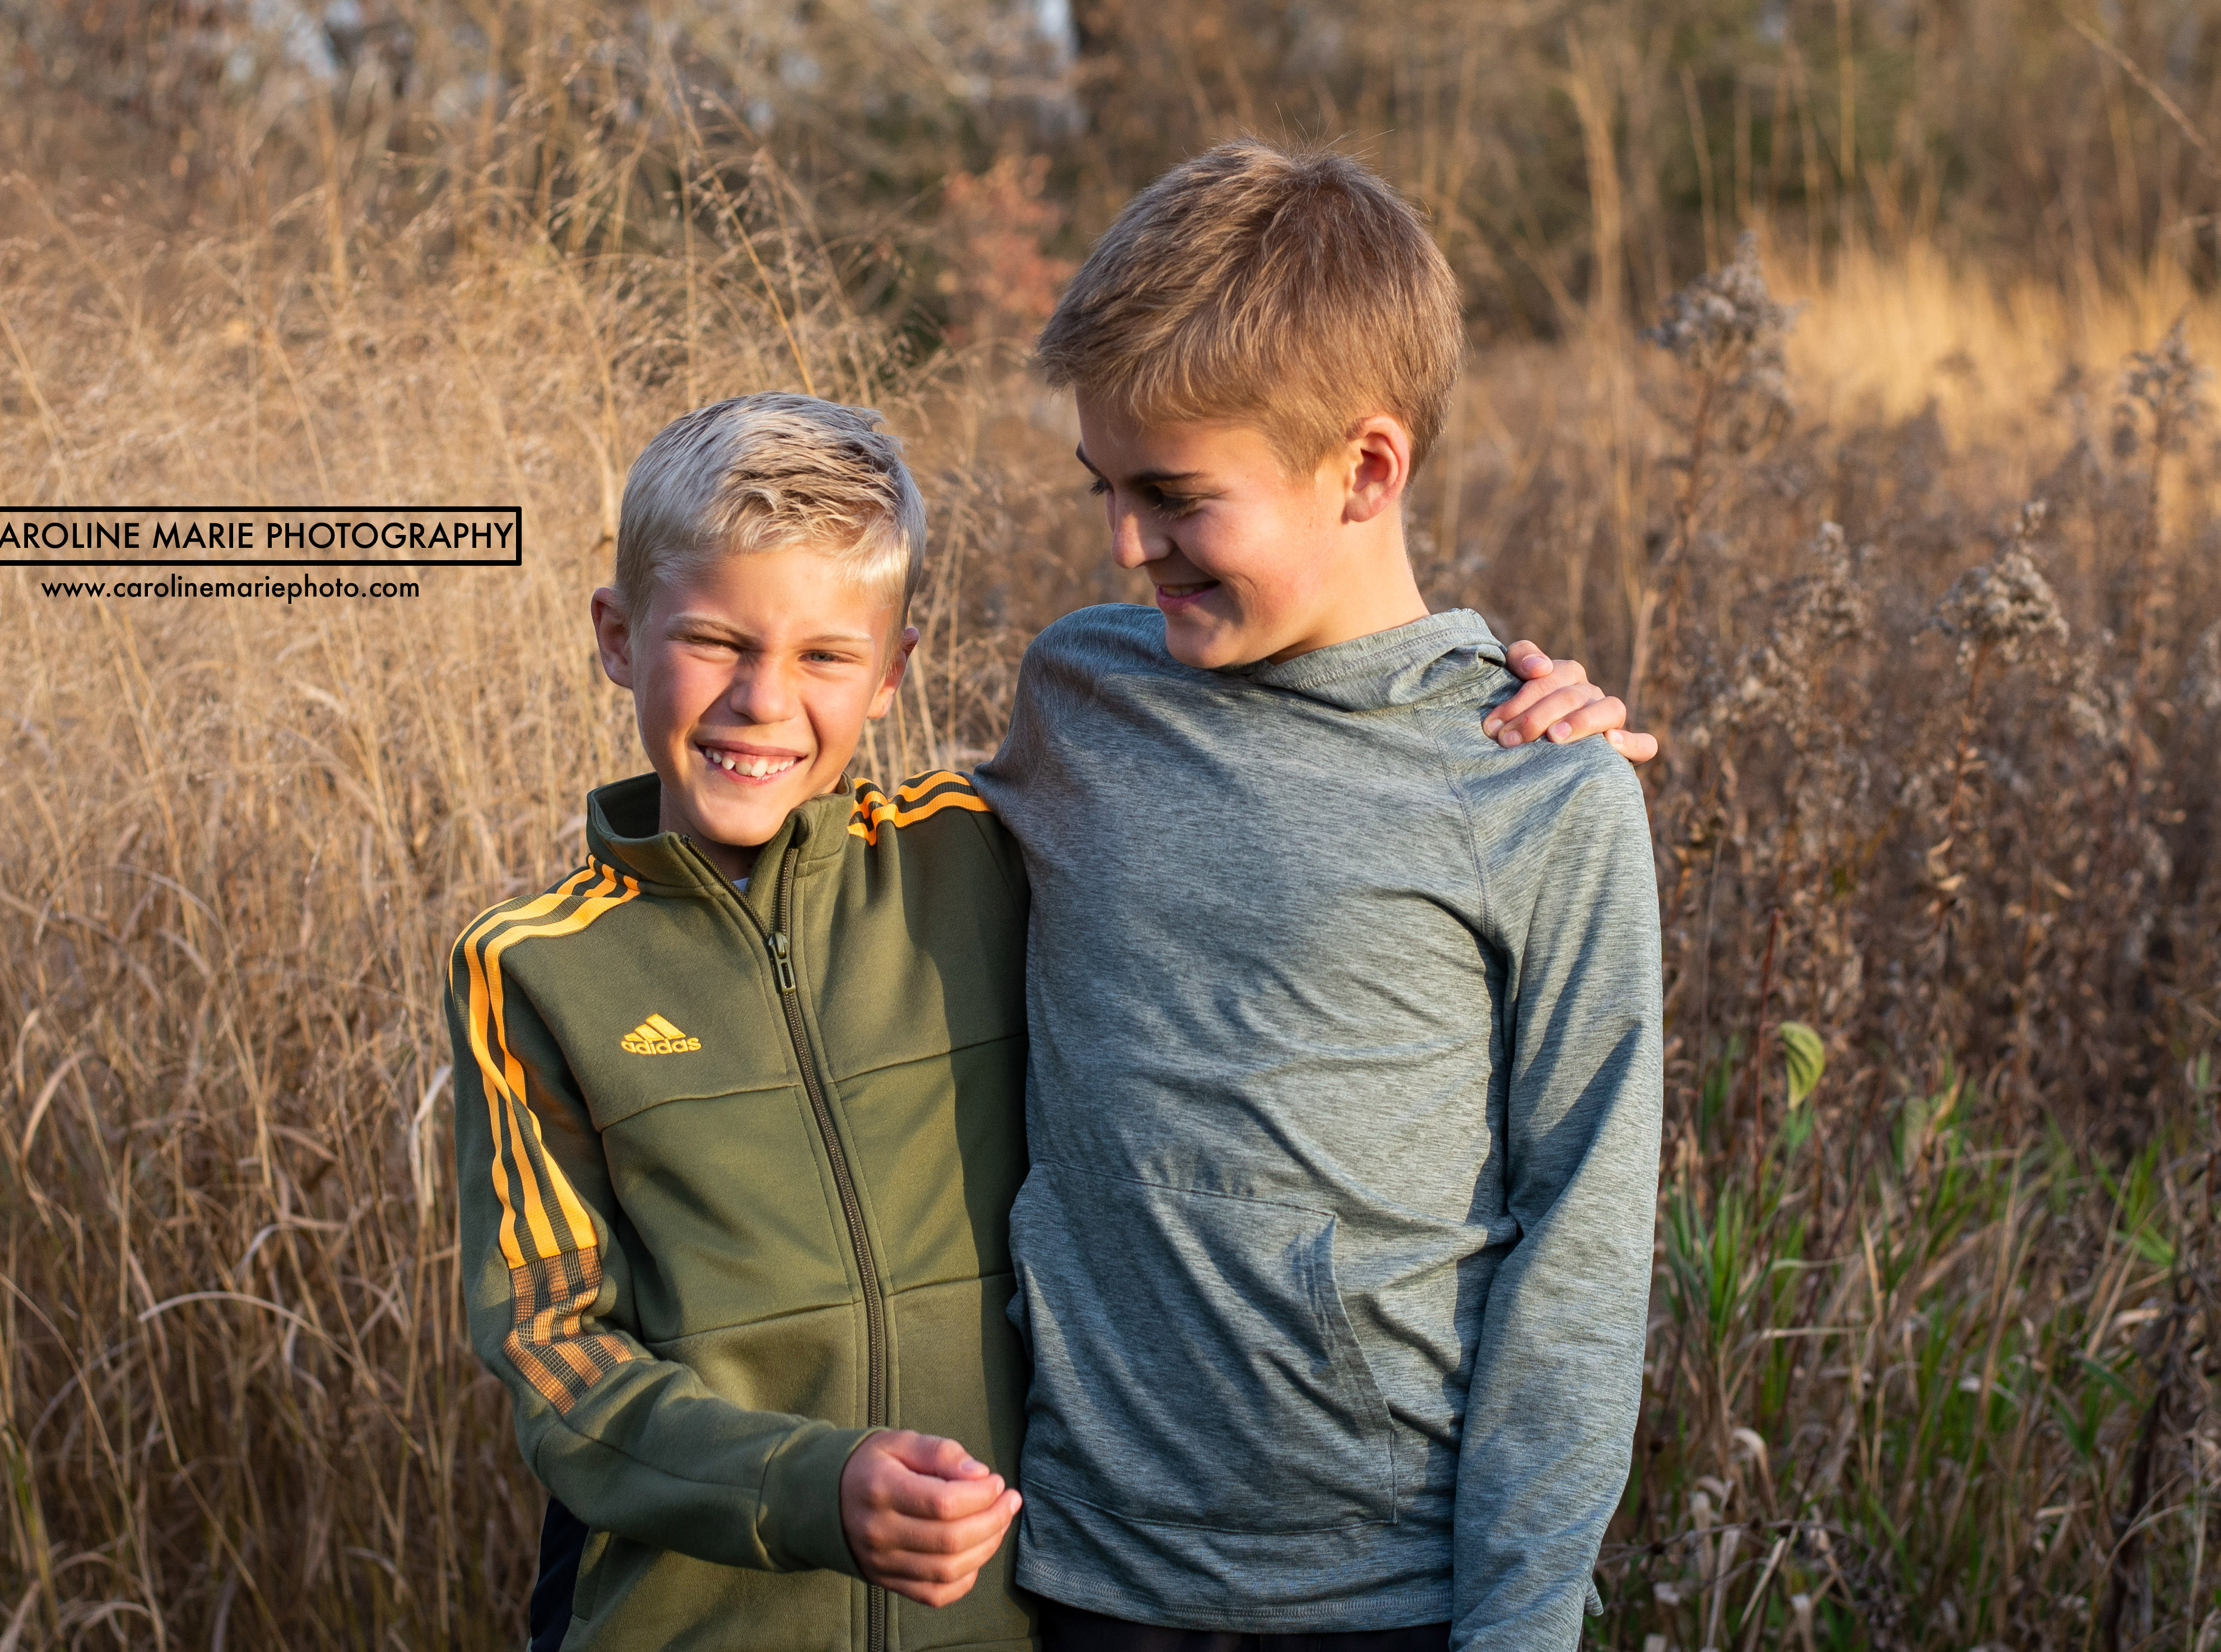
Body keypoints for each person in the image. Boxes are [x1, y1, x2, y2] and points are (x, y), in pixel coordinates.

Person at [449, 393, 1645, 1652]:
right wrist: (805, 1487)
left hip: (1010, 1616)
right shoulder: (533, 969)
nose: (761, 700)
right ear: (616, 635)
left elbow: (1249, 809)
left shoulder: (972, 856)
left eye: (825, 657)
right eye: (712, 641)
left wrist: (1509, 736)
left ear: (893, 671)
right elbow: (553, 1352)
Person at [973, 139, 1665, 1652]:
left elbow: (1585, 1247)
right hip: (1082, 1570)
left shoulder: (1538, 787)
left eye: (1174, 496)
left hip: (1380, 1595)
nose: (1123, 544)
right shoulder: (1079, 695)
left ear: (1365, 468)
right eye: (1104, 488)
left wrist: (1520, 1628)